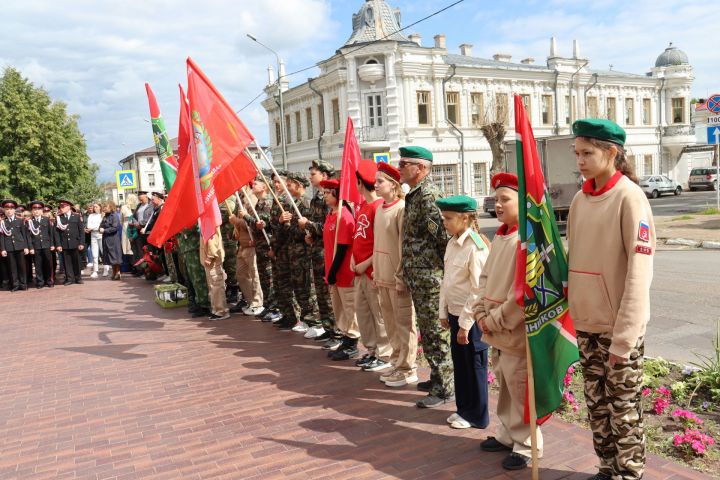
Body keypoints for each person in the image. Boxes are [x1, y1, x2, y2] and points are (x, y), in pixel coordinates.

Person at [567, 119, 655, 480]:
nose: (580, 160)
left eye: (587, 153)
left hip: (617, 330)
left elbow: (639, 272)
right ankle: (607, 469)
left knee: (624, 412)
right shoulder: (579, 198)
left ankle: (629, 473)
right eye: (577, 153)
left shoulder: (630, 198)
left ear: (612, 152)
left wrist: (626, 336)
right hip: (587, 324)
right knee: (597, 409)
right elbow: (574, 261)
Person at [476, 172, 541, 471]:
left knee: (519, 389)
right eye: (497, 199)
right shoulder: (501, 236)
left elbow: (524, 294)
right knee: (504, 386)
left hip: (512, 330)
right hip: (494, 326)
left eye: (506, 199)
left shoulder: (526, 241)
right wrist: (479, 312)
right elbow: (485, 278)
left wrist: (495, 320)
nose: (498, 205)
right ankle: (507, 434)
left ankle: (527, 445)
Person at [397, 146, 453, 408]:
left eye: (403, 163)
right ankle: (436, 377)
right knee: (427, 332)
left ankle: (444, 388)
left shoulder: (428, 196)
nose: (399, 167)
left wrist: (440, 274)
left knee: (435, 333)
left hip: (430, 278)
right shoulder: (415, 194)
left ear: (420, 168)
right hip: (420, 278)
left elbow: (443, 239)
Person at [437, 195, 490, 430]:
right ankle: (464, 409)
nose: (444, 223)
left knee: (474, 365)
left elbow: (478, 289)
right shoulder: (452, 242)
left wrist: (466, 324)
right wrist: (443, 311)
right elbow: (447, 281)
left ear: (465, 218)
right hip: (455, 314)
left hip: (470, 318)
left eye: (448, 218)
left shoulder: (476, 247)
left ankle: (478, 415)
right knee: (460, 365)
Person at [373, 162, 419, 386]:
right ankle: (396, 362)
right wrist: (376, 272)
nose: (376, 185)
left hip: (397, 279)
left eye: (380, 181)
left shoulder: (401, 208)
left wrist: (401, 277)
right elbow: (377, 244)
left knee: (404, 325)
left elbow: (404, 246)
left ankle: (408, 368)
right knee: (391, 325)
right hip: (382, 277)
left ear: (393, 184)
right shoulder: (380, 209)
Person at [351, 160, 392, 372]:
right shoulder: (363, 207)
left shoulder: (378, 207)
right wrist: (353, 260)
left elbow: (380, 243)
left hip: (371, 270)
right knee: (363, 314)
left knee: (379, 315)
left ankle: (384, 354)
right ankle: (372, 350)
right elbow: (359, 237)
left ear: (360, 182)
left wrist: (366, 263)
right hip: (358, 271)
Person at [321, 178, 360, 360]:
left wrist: (334, 271)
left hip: (343, 272)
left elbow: (343, 248)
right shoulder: (331, 214)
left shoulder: (344, 216)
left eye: (328, 193)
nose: (325, 196)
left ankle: (352, 342)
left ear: (338, 194)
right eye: (324, 193)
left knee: (349, 309)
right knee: (339, 309)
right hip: (333, 271)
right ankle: (345, 337)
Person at [299, 159, 337, 340]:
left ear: (324, 175)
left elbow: (329, 227)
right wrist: (311, 235)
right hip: (316, 250)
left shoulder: (331, 199)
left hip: (326, 252)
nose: (310, 177)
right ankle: (328, 328)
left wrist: (310, 225)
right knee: (321, 293)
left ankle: (337, 332)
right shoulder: (316, 198)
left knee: (328, 295)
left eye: (313, 174)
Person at [284, 171, 320, 334]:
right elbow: (291, 230)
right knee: (299, 287)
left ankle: (315, 321)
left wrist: (299, 227)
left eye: (290, 184)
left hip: (305, 253)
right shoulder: (294, 204)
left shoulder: (306, 204)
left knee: (308, 287)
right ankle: (305, 318)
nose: (287, 188)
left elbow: (308, 230)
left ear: (299, 185)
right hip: (295, 254)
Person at [269, 170, 300, 330]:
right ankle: (285, 313)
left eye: (279, 181)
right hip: (278, 248)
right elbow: (273, 225)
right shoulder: (276, 200)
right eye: (274, 182)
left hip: (286, 248)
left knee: (287, 283)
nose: (276, 184)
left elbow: (287, 229)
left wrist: (275, 247)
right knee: (280, 283)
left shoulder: (288, 202)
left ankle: (293, 316)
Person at [229, 187, 265, 316]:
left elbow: (254, 223)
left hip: (251, 244)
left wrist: (236, 221)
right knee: (241, 274)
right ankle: (250, 301)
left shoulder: (252, 199)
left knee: (254, 275)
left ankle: (257, 303)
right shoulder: (241, 199)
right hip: (242, 245)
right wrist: (235, 226)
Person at [25, 201, 58, 288]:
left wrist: (52, 244)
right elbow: (28, 236)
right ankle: (40, 282)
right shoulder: (29, 222)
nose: (36, 211)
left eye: (38, 209)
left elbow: (50, 233)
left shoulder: (46, 220)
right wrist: (30, 247)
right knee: (38, 265)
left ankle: (49, 280)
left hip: (46, 245)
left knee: (48, 264)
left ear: (42, 210)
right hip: (35, 246)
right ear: (32, 211)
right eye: (34, 209)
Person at [200, 227, 230, 321]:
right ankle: (216, 309)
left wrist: (210, 255)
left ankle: (221, 311)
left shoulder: (209, 219)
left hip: (213, 260)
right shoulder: (206, 220)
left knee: (216, 285)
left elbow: (212, 238)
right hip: (210, 260)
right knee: (212, 286)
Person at [0, 199, 30, 291]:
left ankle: (23, 284)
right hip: (9, 248)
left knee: (22, 266)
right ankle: (15, 285)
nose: (9, 211)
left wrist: (26, 246)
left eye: (11, 209)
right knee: (12, 267)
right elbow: (2, 237)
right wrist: (3, 249)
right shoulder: (3, 223)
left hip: (20, 246)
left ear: (14, 210)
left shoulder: (20, 221)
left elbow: (24, 235)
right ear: (4, 210)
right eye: (7, 209)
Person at [55, 199, 85, 285]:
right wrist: (58, 244)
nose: (61, 208)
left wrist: (81, 243)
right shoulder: (59, 218)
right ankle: (69, 278)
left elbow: (81, 231)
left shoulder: (76, 216)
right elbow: (56, 233)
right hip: (64, 243)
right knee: (67, 262)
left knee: (77, 261)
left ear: (68, 207)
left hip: (75, 243)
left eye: (63, 206)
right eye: (61, 207)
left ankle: (78, 277)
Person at [131, 191, 153, 276]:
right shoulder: (139, 206)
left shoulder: (150, 205)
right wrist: (136, 223)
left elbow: (149, 218)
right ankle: (142, 270)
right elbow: (134, 216)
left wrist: (140, 224)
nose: (140, 201)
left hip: (147, 231)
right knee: (140, 251)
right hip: (139, 231)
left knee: (149, 250)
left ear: (146, 197)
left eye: (142, 199)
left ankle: (151, 270)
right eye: (139, 199)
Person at [100, 201, 123, 280]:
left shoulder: (114, 216)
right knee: (109, 256)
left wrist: (105, 230)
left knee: (115, 256)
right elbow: (101, 225)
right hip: (106, 239)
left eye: (106, 207)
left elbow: (115, 228)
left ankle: (118, 272)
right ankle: (113, 272)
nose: (104, 208)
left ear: (111, 207)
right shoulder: (105, 216)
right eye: (104, 207)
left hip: (113, 239)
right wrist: (100, 228)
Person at [85, 203, 103, 278]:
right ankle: (95, 271)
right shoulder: (90, 215)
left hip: (101, 235)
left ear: (100, 208)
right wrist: (93, 228)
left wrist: (93, 228)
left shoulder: (102, 215)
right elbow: (89, 225)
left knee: (103, 252)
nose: (94, 208)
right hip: (93, 235)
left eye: (96, 207)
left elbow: (100, 225)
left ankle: (106, 269)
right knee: (94, 254)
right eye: (94, 207)